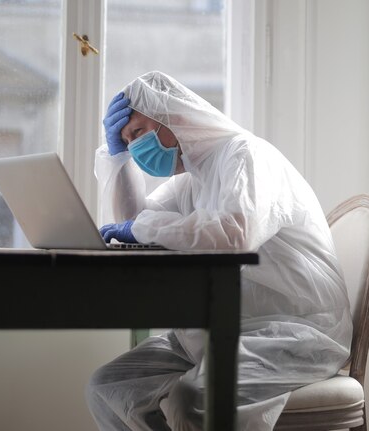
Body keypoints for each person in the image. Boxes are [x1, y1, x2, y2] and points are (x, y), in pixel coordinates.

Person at [86, 71, 352, 431]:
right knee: (109, 388)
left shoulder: (245, 155)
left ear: (172, 116)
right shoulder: (193, 180)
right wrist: (118, 160)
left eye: (137, 135)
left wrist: (142, 226)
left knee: (193, 400)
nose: (136, 148)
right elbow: (137, 220)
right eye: (127, 142)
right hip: (224, 332)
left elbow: (234, 233)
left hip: (296, 334)